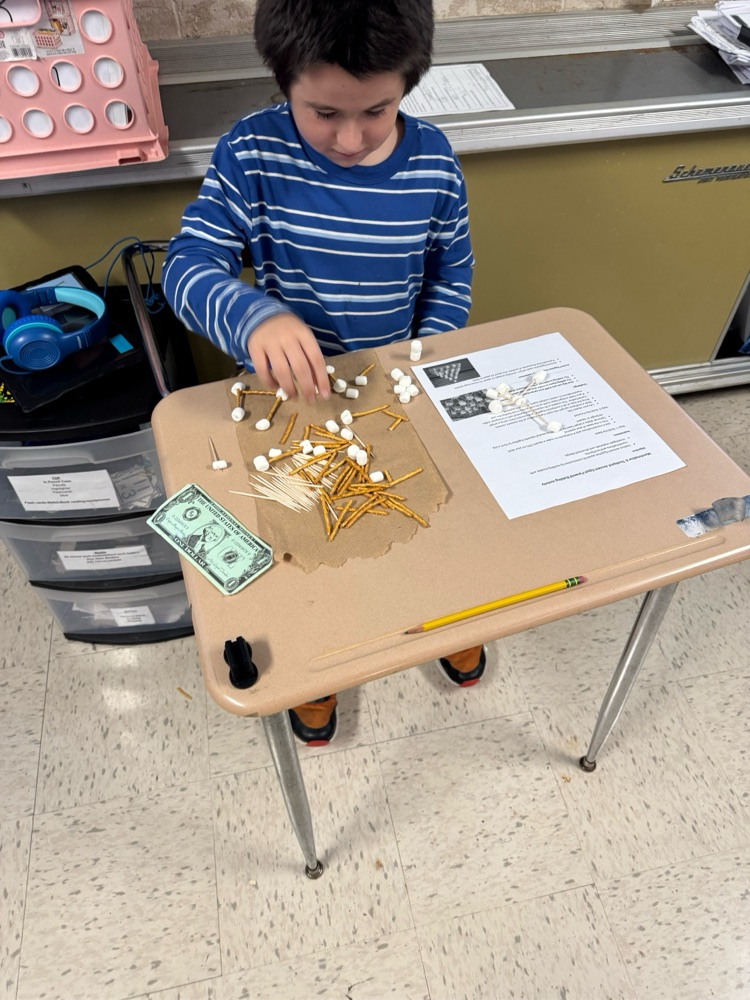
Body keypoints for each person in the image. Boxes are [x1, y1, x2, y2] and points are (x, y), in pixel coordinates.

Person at [162, 0, 486, 746]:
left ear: (410, 81)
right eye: (323, 113)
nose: (349, 137)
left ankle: (445, 626)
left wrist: (427, 344)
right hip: (290, 399)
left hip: (396, 385)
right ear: (283, 86)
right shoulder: (251, 153)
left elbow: (453, 269)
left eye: (377, 110)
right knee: (314, 550)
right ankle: (319, 672)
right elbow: (187, 266)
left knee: (430, 526)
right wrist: (252, 317)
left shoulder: (433, 160)